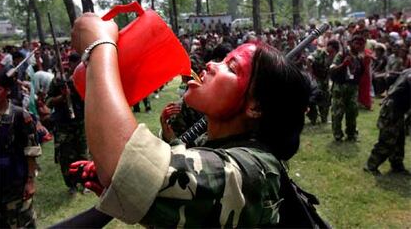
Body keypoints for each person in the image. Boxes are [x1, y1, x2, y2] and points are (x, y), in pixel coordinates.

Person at [69, 13, 311, 227]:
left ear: (255, 107)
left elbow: (127, 166)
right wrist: (128, 192)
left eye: (232, 67)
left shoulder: (253, 170)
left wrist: (101, 45)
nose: (211, 64)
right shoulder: (212, 143)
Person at [0, 69, 41, 228]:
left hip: (16, 185)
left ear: (7, 91)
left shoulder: (20, 116)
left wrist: (30, 181)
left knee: (23, 224)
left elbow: (31, 151)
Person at [46, 52, 87, 194]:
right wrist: (62, 97)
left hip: (81, 122)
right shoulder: (58, 81)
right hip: (63, 124)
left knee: (83, 153)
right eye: (72, 63)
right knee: (66, 156)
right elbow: (48, 102)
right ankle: (72, 184)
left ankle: (85, 182)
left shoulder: (84, 78)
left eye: (78, 63)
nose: (74, 66)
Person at [364, 68, 411, 176]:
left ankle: (397, 165)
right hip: (392, 109)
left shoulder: (407, 71)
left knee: (399, 138)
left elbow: (391, 76)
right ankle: (371, 165)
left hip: (398, 109)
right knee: (387, 139)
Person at [329, 34, 364, 141]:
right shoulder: (342, 54)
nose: (358, 46)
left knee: (352, 111)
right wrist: (343, 65)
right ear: (351, 44)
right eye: (356, 43)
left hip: (353, 88)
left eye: (361, 44)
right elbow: (332, 69)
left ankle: (351, 133)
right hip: (340, 87)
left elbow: (360, 73)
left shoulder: (360, 57)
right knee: (337, 112)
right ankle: (338, 134)